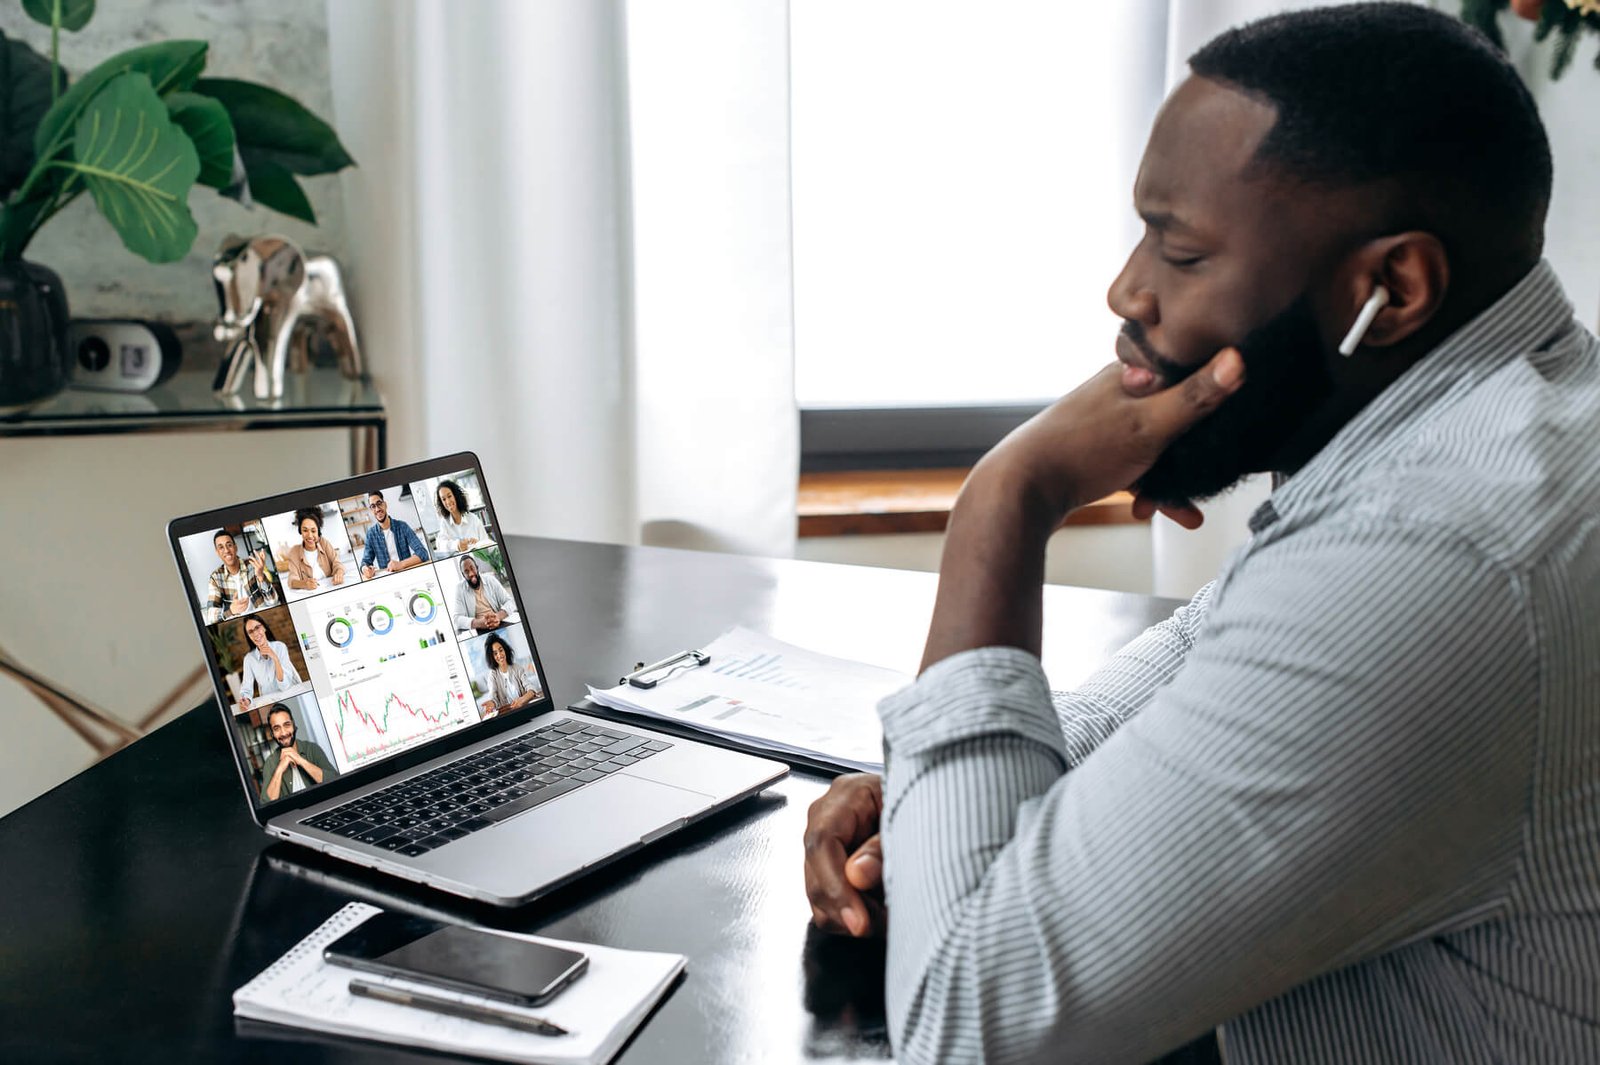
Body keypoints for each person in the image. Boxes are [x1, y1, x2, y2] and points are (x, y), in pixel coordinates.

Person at [802, 6, 1600, 1063]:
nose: (1126, 290)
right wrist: (938, 806)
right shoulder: (1490, 422)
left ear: (1391, 289)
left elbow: (964, 1031)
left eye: (1178, 252)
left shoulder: (1435, 554)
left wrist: (1009, 494)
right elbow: (1190, 680)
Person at [258, 705, 337, 802]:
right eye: (276, 728)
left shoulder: (312, 748)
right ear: (272, 733)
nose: (283, 733)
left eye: (287, 725)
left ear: (294, 725)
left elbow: (335, 782)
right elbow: (266, 804)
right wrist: (280, 769)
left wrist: (301, 761)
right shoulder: (270, 763)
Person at [203, 529, 278, 624]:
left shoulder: (252, 565)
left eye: (229, 545)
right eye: (221, 547)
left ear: (235, 547)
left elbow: (273, 601)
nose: (226, 550)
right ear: (217, 552)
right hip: (241, 625)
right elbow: (211, 617)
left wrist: (261, 576)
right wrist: (231, 610)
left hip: (265, 618)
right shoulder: (216, 578)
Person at [237, 614, 303, 711]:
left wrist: (275, 658)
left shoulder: (280, 647)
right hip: (270, 704)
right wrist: (246, 700)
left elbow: (285, 686)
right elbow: (246, 687)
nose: (255, 634)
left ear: (264, 628)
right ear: (249, 636)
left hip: (290, 697)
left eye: (257, 627)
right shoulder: (249, 659)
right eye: (250, 632)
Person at [358, 490, 429, 579]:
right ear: (371, 510)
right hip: (389, 579)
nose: (377, 509)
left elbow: (423, 553)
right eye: (373, 506)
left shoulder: (402, 526)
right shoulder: (371, 534)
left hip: (408, 574)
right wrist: (365, 569)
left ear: (385, 504)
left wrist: (401, 564)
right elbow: (365, 561)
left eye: (379, 503)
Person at [280, 507, 346, 591]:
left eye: (313, 531)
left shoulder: (324, 543)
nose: (310, 535)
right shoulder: (294, 551)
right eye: (305, 530)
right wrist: (304, 584)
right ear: (300, 531)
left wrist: (339, 573)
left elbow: (337, 564)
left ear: (318, 532)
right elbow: (291, 580)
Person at [480, 632, 540, 716]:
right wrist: (491, 703)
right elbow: (494, 697)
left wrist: (522, 699)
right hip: (508, 715)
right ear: (492, 657)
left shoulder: (517, 668)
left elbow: (530, 687)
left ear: (505, 650)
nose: (500, 655)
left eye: (501, 650)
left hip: (525, 710)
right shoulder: (492, 675)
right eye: (495, 653)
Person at [450, 555, 513, 633]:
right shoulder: (459, 589)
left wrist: (498, 617)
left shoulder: (491, 580)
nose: (471, 574)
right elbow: (457, 619)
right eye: (466, 572)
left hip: (498, 622)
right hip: (479, 629)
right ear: (463, 575)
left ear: (477, 567)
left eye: (472, 568)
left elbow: (510, 602)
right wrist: (479, 623)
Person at [433, 479, 488, 555]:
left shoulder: (474, 519)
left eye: (449, 496)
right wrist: (457, 545)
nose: (448, 502)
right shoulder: (444, 523)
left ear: (455, 496)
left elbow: (487, 544)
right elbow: (439, 544)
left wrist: (478, 544)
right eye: (444, 499)